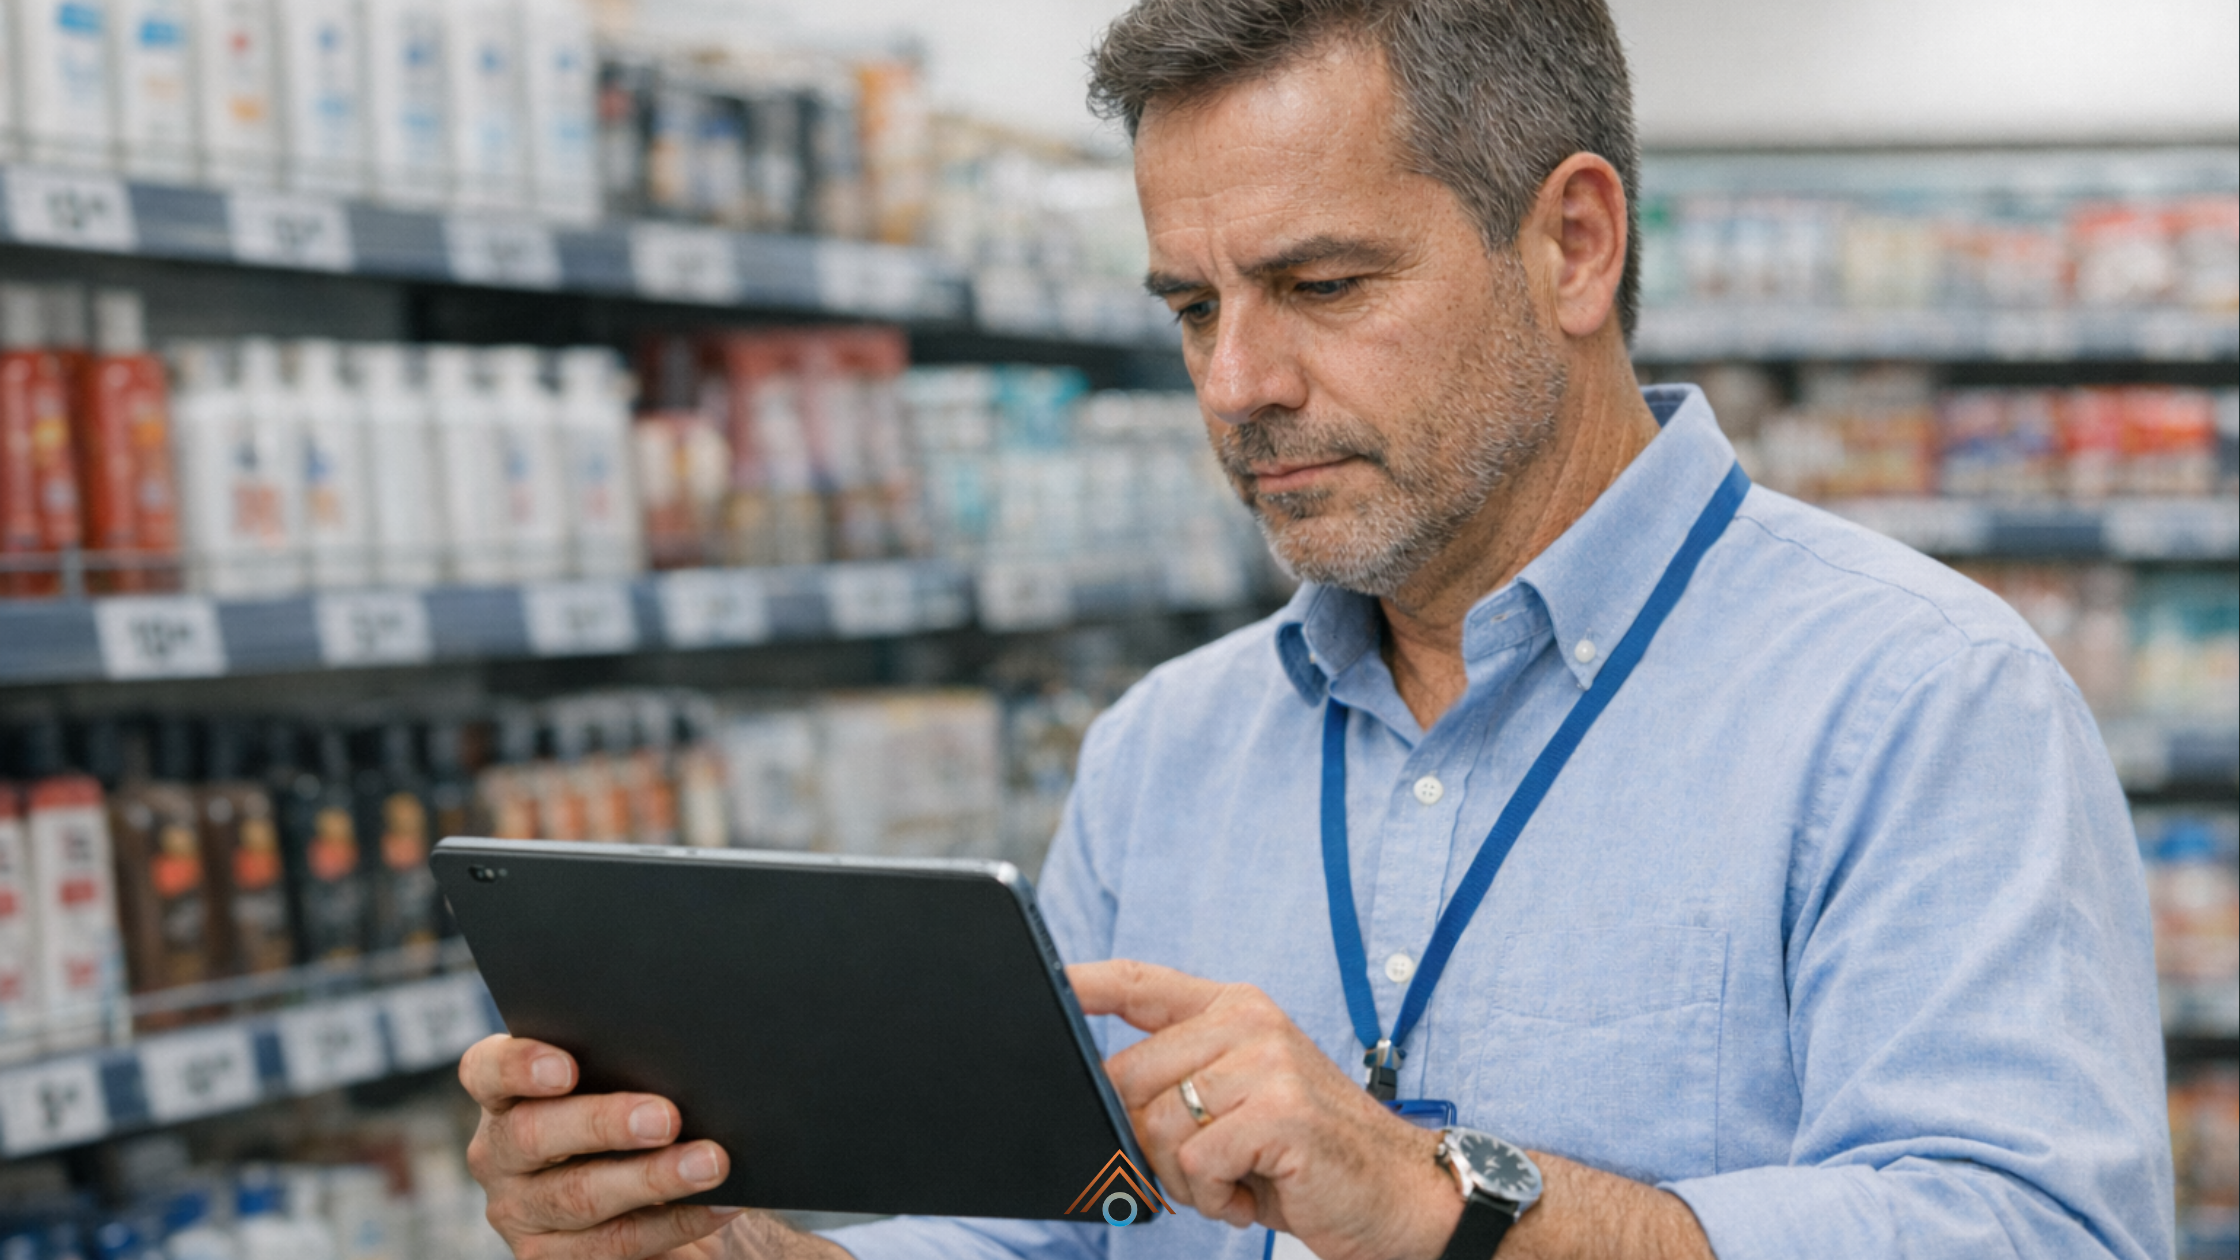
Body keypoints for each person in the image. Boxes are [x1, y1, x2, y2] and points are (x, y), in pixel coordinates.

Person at [457, 1, 2174, 1257]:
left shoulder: (1916, 700)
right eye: (1193, 306)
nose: (1238, 384)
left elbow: (2023, 1229)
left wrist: (1443, 1200)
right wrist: (725, 1250)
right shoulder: (1167, 749)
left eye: (1324, 288)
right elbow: (1058, 1225)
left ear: (1572, 243)